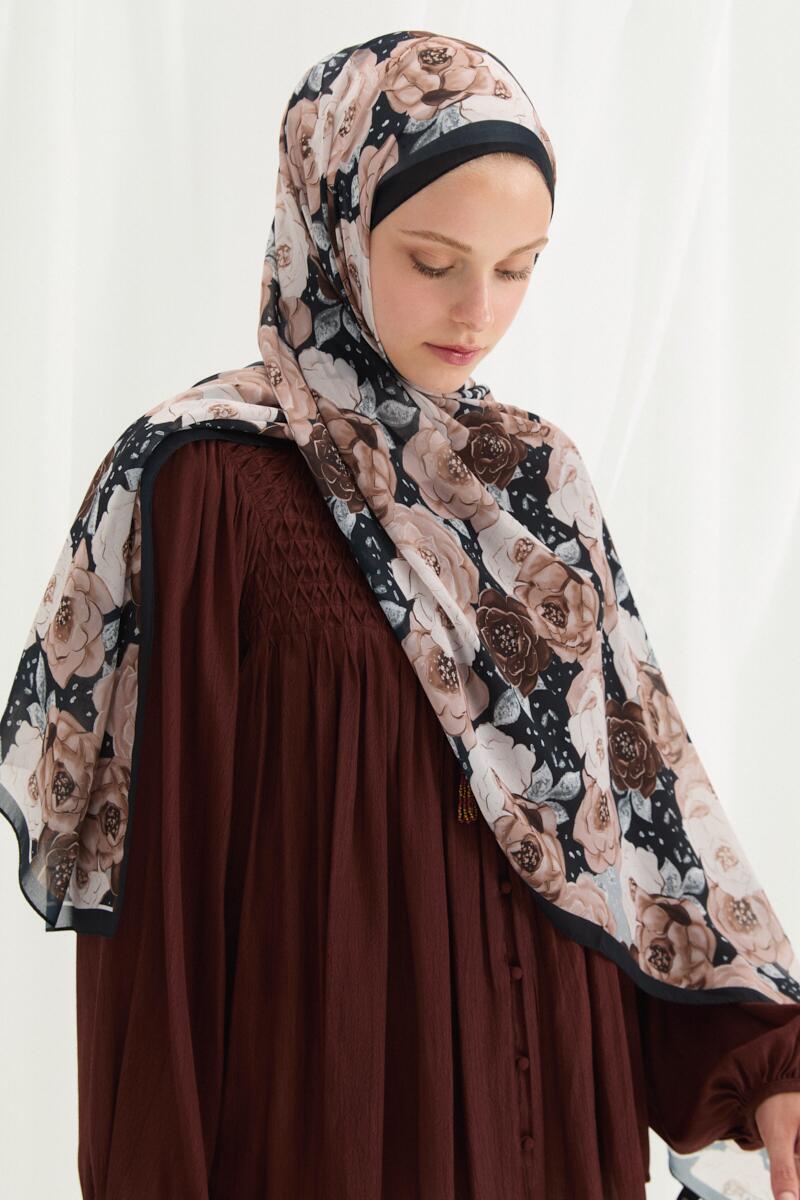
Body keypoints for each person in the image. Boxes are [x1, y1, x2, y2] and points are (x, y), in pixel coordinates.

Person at [1, 29, 799, 1200]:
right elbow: (159, 927)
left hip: (551, 1110)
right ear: (332, 222)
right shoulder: (206, 483)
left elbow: (639, 802)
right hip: (333, 1115)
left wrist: (764, 1063)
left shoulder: (536, 488)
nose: (478, 311)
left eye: (517, 267)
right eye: (433, 260)